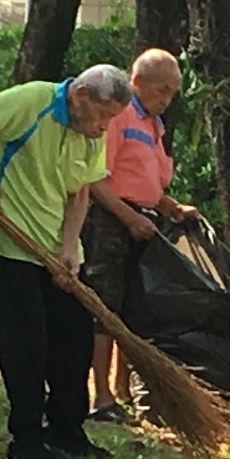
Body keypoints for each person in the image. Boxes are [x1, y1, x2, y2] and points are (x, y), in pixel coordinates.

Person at [0, 64, 132, 459]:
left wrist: (68, 249)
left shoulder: (90, 132)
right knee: (26, 345)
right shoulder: (31, 101)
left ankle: (67, 430)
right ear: (80, 97)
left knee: (74, 340)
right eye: (102, 116)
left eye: (111, 120)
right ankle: (26, 438)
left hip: (58, 250)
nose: (104, 128)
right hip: (12, 246)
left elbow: (80, 193)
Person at [81, 48, 199, 424]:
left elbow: (146, 179)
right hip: (111, 220)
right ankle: (99, 394)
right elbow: (97, 178)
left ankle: (122, 388)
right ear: (137, 82)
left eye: (172, 93)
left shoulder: (153, 124)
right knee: (105, 307)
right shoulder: (119, 115)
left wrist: (170, 207)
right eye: (160, 89)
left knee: (133, 308)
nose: (165, 99)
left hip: (145, 220)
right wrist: (128, 217)